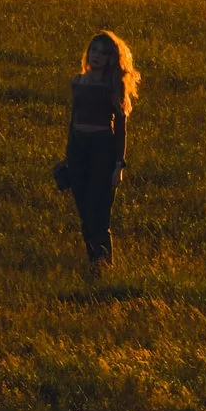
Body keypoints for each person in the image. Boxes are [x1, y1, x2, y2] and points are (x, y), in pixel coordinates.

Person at [57, 29, 138, 273]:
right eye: (94, 50)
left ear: (111, 58)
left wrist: (119, 165)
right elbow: (73, 120)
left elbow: (121, 128)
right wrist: (68, 157)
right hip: (78, 150)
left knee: (99, 211)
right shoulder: (77, 82)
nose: (97, 56)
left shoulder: (113, 86)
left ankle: (104, 264)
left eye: (103, 53)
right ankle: (94, 260)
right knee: (83, 211)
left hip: (103, 149)